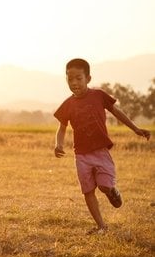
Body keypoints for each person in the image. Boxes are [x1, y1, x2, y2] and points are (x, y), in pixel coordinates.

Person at [54, 58, 150, 235]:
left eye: (78, 78)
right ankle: (101, 226)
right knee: (88, 191)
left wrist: (135, 128)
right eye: (70, 79)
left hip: (101, 152)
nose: (74, 82)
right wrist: (58, 144)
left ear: (88, 78)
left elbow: (116, 112)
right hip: (81, 155)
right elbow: (62, 127)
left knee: (104, 186)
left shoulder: (98, 95)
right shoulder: (68, 104)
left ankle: (112, 191)